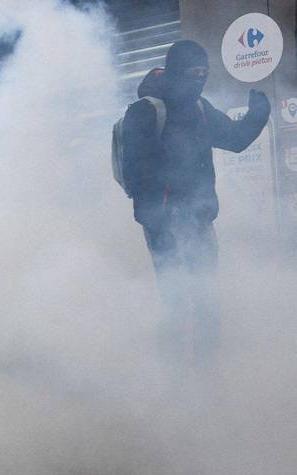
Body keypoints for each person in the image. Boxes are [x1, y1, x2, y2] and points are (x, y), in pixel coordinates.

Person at [119, 40, 270, 364]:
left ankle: (206, 373)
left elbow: (234, 139)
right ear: (174, 71)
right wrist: (157, 219)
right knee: (175, 299)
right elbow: (135, 173)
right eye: (192, 72)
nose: (199, 78)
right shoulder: (146, 110)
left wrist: (257, 117)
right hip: (163, 224)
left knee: (206, 298)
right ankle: (175, 375)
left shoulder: (200, 108)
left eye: (204, 73)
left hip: (200, 220)